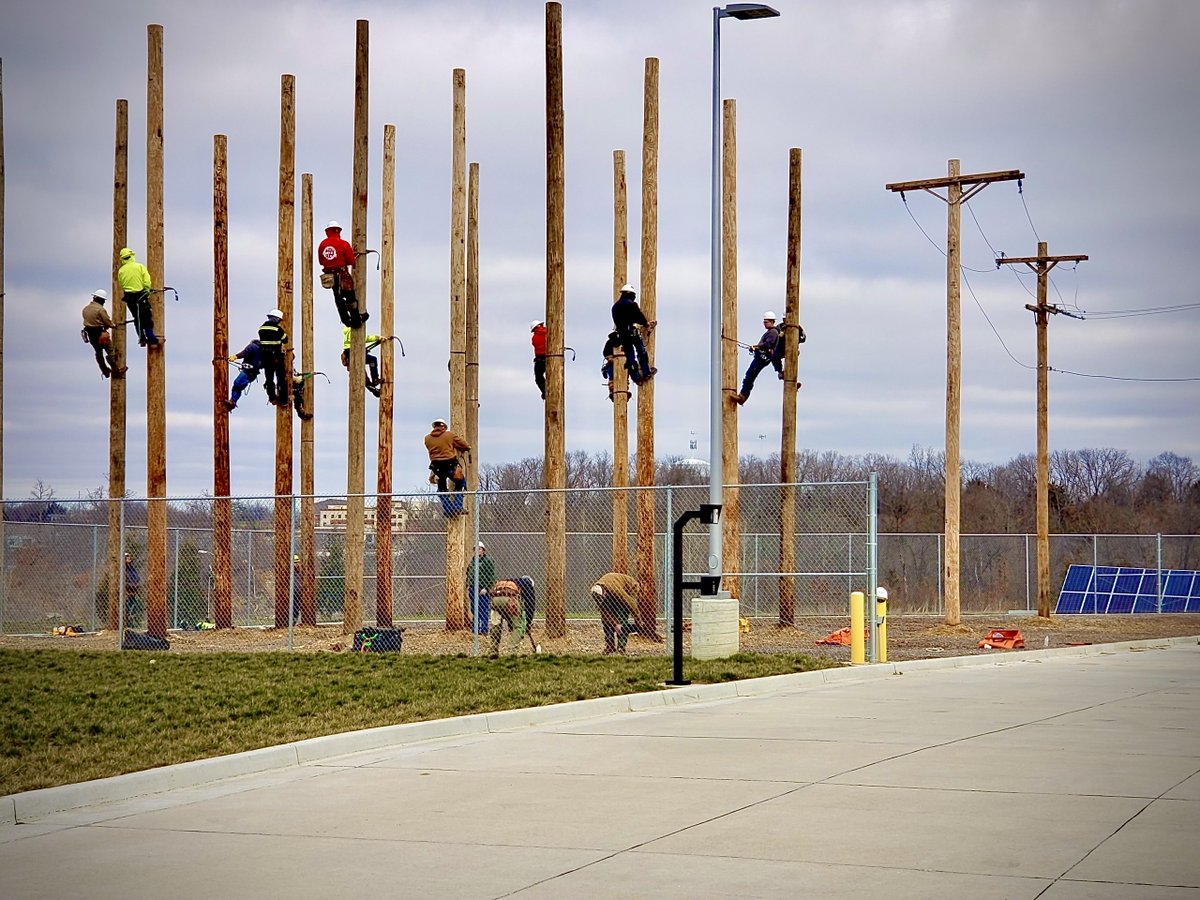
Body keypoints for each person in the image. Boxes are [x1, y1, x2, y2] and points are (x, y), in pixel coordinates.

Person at [318, 220, 368, 328]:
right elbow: (351, 261)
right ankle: (356, 320)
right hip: (343, 275)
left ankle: (345, 320)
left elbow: (321, 261)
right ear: (338, 231)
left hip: (330, 277)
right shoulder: (344, 244)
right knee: (350, 297)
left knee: (338, 298)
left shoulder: (322, 245)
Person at [610, 283, 655, 385]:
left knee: (630, 357)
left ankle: (636, 378)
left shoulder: (615, 307)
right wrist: (646, 324)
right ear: (630, 294)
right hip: (632, 333)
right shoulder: (631, 305)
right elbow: (639, 316)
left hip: (622, 336)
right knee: (641, 352)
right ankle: (646, 372)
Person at [424, 419, 470, 515]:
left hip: (436, 467)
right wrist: (467, 448)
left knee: (442, 488)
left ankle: (448, 509)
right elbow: (464, 444)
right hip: (449, 465)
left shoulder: (427, 438)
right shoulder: (449, 435)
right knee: (460, 482)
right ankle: (457, 507)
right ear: (443, 427)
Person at [117, 247, 160, 347]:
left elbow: (122, 283)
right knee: (146, 316)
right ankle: (151, 337)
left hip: (129, 297)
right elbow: (147, 281)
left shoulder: (121, 271)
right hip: (141, 295)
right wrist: (147, 291)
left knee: (137, 318)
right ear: (132, 256)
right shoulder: (139, 267)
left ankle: (141, 338)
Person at [80, 289, 125, 379]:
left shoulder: (85, 309)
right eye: (103, 300)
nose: (104, 302)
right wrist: (113, 325)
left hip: (90, 335)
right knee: (110, 351)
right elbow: (107, 321)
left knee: (98, 353)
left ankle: (105, 371)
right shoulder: (100, 309)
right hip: (100, 334)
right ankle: (116, 371)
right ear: (101, 300)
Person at [591, 571, 638, 654]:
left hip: (629, 588)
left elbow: (630, 603)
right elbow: (604, 612)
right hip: (613, 594)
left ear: (604, 592)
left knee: (622, 618)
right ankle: (610, 646)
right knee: (606, 622)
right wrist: (615, 624)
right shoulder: (596, 592)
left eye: (603, 597)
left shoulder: (616, 590)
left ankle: (621, 648)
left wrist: (638, 619)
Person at [258, 309, 289, 407]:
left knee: (269, 378)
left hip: (265, 358)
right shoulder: (277, 329)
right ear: (276, 319)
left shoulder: (261, 328)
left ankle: (272, 397)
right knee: (281, 379)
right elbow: (285, 340)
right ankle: (284, 400)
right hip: (277, 357)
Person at [486, 578, 526, 657]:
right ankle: (512, 650)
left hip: (495, 601)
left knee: (495, 625)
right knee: (517, 627)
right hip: (510, 601)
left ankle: (493, 651)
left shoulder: (507, 582)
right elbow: (523, 609)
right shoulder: (526, 586)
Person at [340, 326, 383, 398]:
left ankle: (374, 387)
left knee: (363, 372)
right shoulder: (353, 329)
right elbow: (362, 338)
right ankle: (375, 380)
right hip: (353, 352)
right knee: (371, 361)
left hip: (351, 352)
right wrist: (377, 338)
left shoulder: (347, 329)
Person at [465, 542, 496, 635]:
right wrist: (468, 584)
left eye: (479, 549)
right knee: (474, 610)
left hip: (482, 589)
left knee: (483, 609)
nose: (477, 551)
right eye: (475, 549)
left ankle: (484, 630)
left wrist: (486, 588)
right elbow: (469, 573)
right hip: (472, 588)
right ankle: (475, 630)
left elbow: (492, 577)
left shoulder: (487, 561)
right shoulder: (473, 561)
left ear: (483, 550)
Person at [224, 338, 262, 410]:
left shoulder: (252, 346)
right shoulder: (261, 351)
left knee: (237, 384)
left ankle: (233, 402)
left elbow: (244, 353)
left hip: (247, 371)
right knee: (239, 387)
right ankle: (232, 402)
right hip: (253, 374)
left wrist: (235, 357)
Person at [123, 552, 143, 628]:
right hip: (127, 590)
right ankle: (127, 623)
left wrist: (136, 584)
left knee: (132, 606)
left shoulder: (131, 568)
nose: (129, 558)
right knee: (128, 607)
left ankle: (130, 623)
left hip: (133, 590)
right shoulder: (123, 569)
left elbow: (136, 577)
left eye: (129, 557)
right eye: (127, 557)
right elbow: (124, 580)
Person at [600, 330, 621, 401]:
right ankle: (612, 390)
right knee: (612, 375)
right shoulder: (610, 342)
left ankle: (622, 388)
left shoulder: (625, 340)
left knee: (622, 376)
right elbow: (605, 353)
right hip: (613, 362)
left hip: (622, 364)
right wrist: (610, 358)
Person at [530, 320, 547, 400]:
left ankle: (545, 391)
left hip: (540, 359)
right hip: (552, 357)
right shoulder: (549, 331)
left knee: (538, 377)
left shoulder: (534, 338)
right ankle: (547, 390)